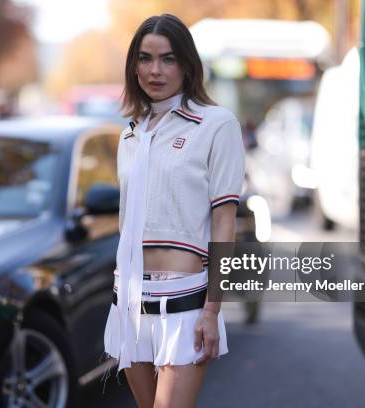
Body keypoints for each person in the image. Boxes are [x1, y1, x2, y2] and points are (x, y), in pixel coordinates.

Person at [103, 14, 245, 408]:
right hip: (130, 299)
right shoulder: (131, 133)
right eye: (145, 58)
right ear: (134, 65)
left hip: (185, 299)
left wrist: (212, 310)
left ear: (187, 64)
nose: (155, 70)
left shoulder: (216, 124)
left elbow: (223, 220)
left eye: (167, 59)